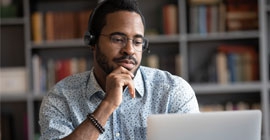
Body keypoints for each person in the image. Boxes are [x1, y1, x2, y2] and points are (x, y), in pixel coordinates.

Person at [39, 0, 200, 139]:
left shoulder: (173, 91)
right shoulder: (61, 98)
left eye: (137, 42)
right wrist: (107, 104)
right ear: (92, 42)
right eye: (118, 39)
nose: (129, 50)